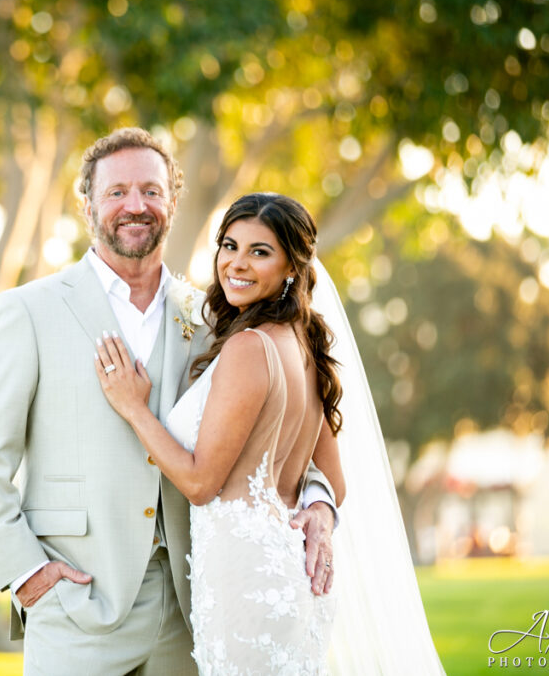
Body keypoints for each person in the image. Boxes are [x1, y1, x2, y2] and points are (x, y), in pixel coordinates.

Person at [0, 129, 338, 674]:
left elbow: (289, 436)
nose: (136, 206)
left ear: (172, 203)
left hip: (190, 607)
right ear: (88, 206)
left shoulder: (214, 321)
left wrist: (319, 505)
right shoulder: (28, 311)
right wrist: (26, 574)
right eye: (117, 192)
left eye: (151, 191)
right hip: (77, 604)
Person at [96, 192, 447, 675]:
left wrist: (135, 409)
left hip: (246, 580)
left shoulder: (249, 347)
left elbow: (200, 484)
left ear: (290, 268)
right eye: (229, 245)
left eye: (259, 252)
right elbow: (334, 483)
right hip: (288, 576)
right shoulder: (303, 346)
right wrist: (320, 509)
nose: (236, 263)